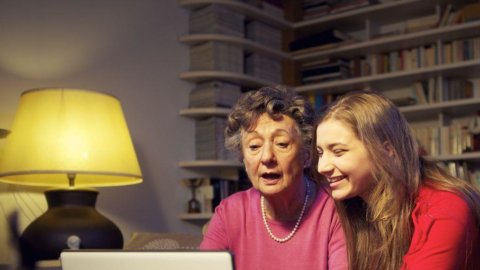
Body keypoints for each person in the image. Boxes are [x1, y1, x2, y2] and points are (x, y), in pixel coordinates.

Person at [314, 90, 480, 270]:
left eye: (338, 151)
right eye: (320, 153)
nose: (322, 167)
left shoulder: (445, 207)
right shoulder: (353, 207)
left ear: (387, 150)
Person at [200, 85, 348, 270]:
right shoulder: (229, 212)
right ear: (244, 160)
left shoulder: (335, 211)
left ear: (307, 155)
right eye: (254, 146)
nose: (267, 157)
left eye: (281, 143)